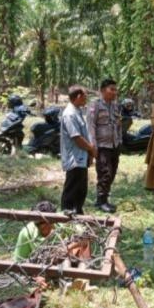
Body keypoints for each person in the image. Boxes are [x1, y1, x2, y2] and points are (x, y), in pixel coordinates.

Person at [87, 79, 121, 213]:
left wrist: (120, 141)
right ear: (102, 90)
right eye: (111, 89)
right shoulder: (95, 105)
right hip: (102, 145)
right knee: (104, 173)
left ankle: (104, 198)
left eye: (115, 89)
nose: (114, 92)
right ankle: (101, 201)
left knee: (112, 173)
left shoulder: (115, 105)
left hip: (114, 145)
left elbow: (118, 124)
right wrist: (93, 146)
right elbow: (91, 126)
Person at [60, 85, 96, 214]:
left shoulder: (78, 111)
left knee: (81, 188)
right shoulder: (69, 114)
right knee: (72, 187)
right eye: (85, 96)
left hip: (81, 156)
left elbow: (84, 134)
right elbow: (76, 137)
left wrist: (90, 153)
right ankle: (66, 214)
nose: (86, 98)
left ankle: (78, 212)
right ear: (79, 96)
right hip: (74, 157)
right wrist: (91, 149)